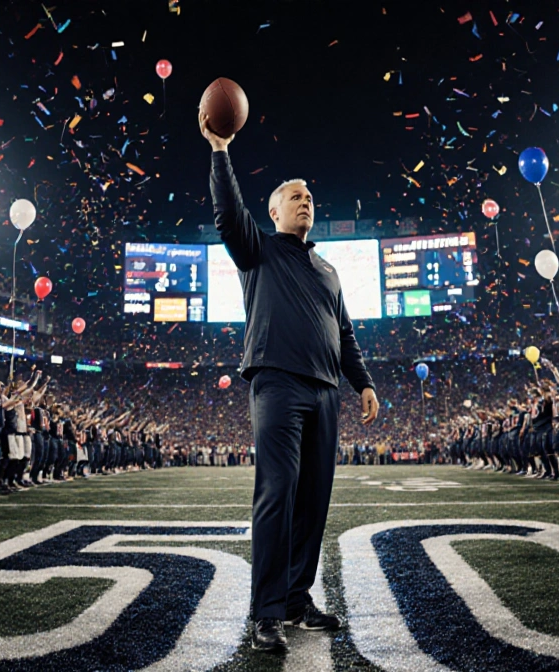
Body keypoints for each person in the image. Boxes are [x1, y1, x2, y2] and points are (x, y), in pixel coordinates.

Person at [204, 111, 379, 653]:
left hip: (326, 390)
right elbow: (228, 216)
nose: (306, 201)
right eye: (295, 197)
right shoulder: (257, 249)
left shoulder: (329, 271)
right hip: (277, 383)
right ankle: (266, 612)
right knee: (277, 493)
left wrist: (363, 383)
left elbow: (344, 333)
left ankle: (297, 601)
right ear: (274, 211)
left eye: (310, 197)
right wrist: (220, 151)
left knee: (314, 501)